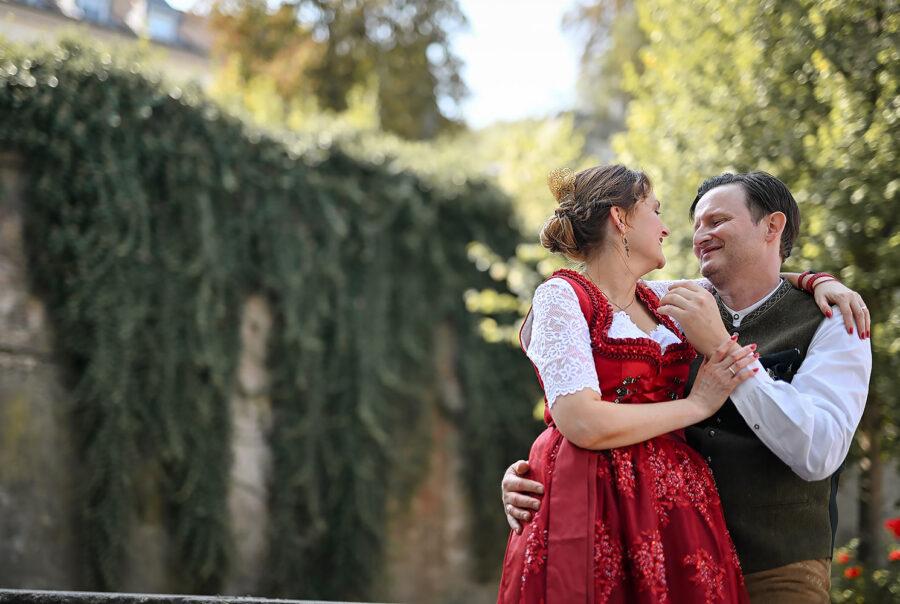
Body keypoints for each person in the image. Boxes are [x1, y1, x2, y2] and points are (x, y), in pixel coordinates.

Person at [500, 170, 872, 603]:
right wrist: (536, 471)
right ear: (620, 220)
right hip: (646, 528)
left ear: (772, 227)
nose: (690, 234)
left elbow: (819, 451)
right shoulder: (656, 302)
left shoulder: (828, 320)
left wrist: (814, 281)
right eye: (689, 221)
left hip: (767, 559)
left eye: (715, 221)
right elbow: (579, 402)